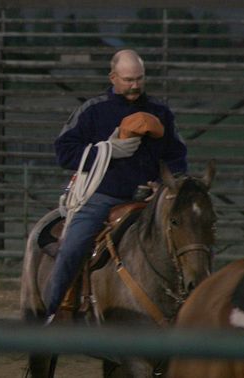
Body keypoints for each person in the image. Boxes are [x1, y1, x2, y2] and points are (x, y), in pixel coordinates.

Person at [44, 49, 188, 323]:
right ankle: (53, 313)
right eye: (128, 79)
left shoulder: (161, 113)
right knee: (72, 248)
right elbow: (64, 152)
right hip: (102, 197)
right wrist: (107, 151)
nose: (135, 85)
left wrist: (164, 183)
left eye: (139, 79)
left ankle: (194, 312)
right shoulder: (92, 111)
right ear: (113, 77)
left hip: (150, 201)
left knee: (191, 241)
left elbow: (177, 156)